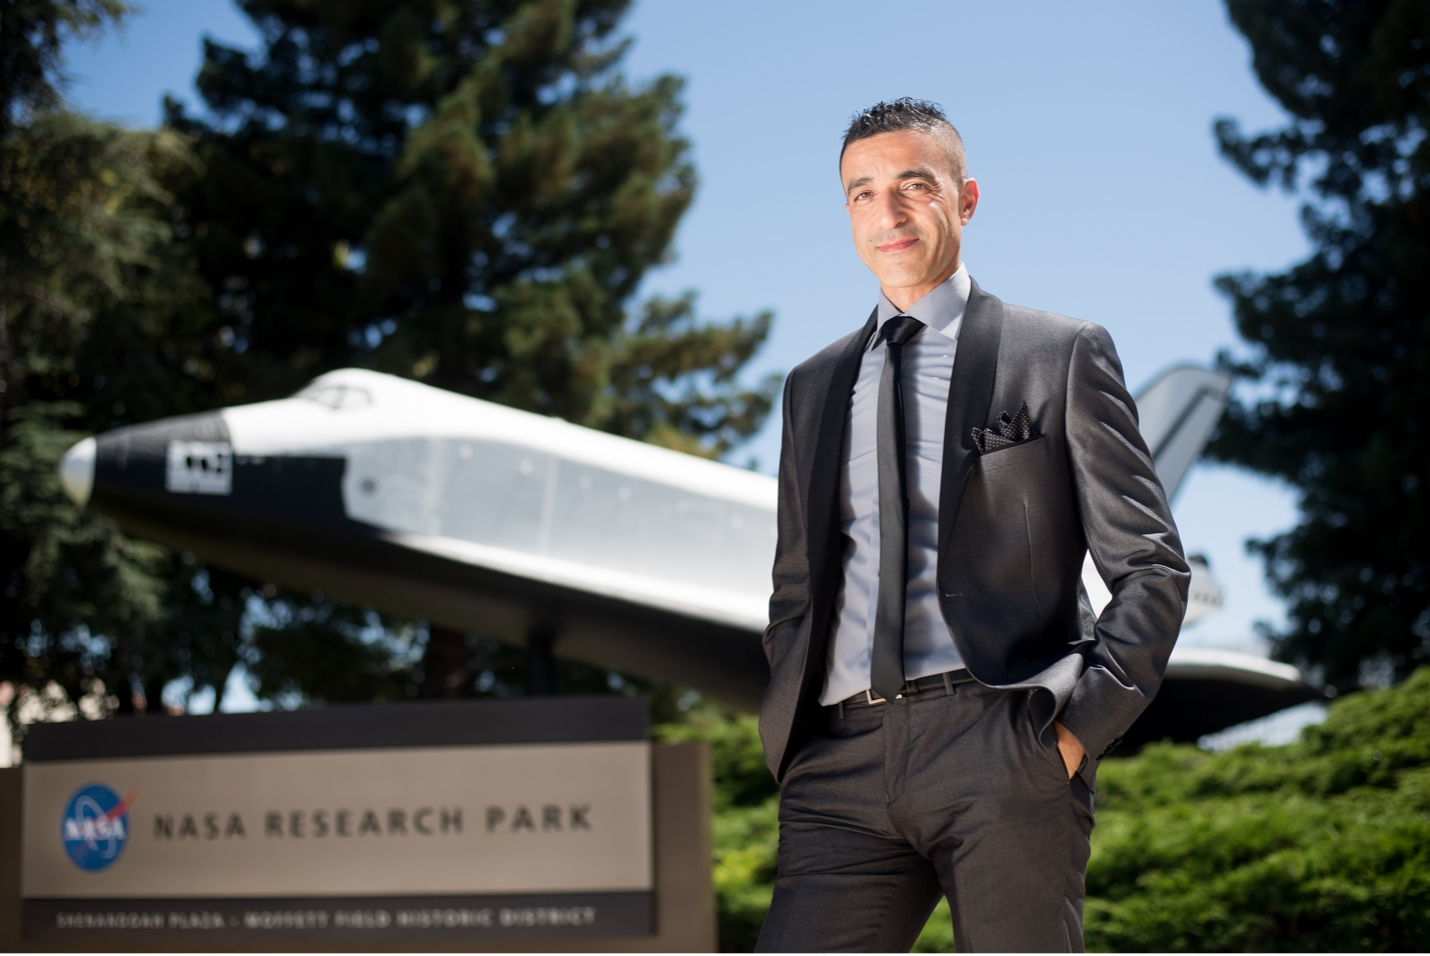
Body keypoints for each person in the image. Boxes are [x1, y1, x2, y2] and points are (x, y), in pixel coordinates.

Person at [755, 98, 1190, 954]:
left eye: (915, 185)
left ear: (966, 198)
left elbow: (1150, 567)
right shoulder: (812, 386)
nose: (889, 212)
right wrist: (799, 739)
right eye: (863, 192)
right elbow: (798, 586)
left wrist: (1070, 734)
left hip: (1000, 740)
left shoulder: (1057, 352)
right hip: (839, 764)